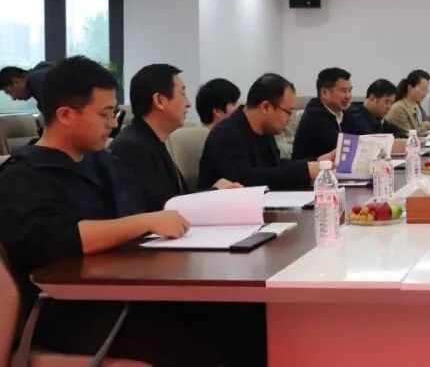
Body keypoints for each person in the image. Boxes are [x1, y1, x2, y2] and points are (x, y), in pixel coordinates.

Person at [0, 56, 265, 365]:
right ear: (66, 115)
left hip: (127, 289)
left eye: (113, 113)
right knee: (209, 337)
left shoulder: (102, 161)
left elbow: (148, 208)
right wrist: (143, 222)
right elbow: (58, 239)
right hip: (74, 310)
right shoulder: (24, 176)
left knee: (247, 313)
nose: (113, 124)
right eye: (105, 114)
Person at [111, 64, 238, 211]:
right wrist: (213, 193)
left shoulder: (151, 139)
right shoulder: (131, 148)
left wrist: (214, 192)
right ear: (159, 101)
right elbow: (159, 207)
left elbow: (175, 197)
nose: (188, 104)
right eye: (182, 94)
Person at [198, 73, 335, 190]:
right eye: (288, 112)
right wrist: (304, 171)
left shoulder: (265, 130)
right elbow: (245, 180)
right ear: (265, 107)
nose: (290, 119)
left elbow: (274, 166)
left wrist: (316, 162)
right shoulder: (226, 134)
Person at [292, 67, 353, 160]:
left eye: (350, 90)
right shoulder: (315, 116)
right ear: (325, 92)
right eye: (344, 91)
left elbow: (361, 137)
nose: (348, 96)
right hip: (309, 168)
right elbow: (345, 147)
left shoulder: (343, 112)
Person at [344, 79, 408, 137]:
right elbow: (372, 139)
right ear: (372, 98)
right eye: (386, 102)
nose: (389, 107)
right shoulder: (355, 115)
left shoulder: (377, 118)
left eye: (391, 103)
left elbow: (398, 132)